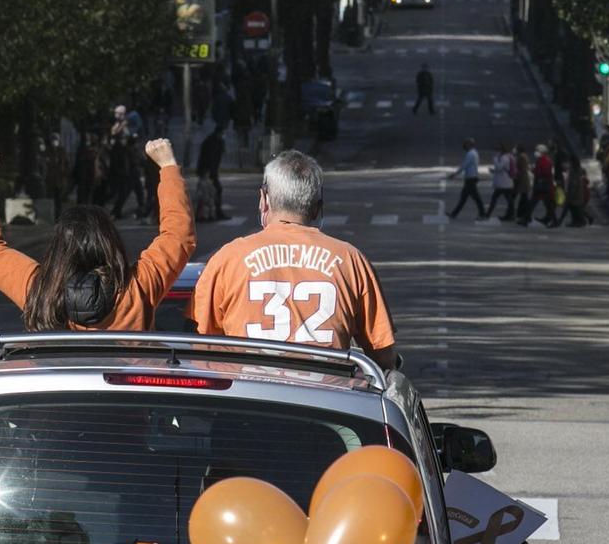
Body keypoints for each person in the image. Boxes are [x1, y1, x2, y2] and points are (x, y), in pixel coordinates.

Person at [191, 150, 398, 368]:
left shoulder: (227, 259)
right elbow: (382, 353)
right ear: (317, 208)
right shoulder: (350, 260)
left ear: (264, 199)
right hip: (327, 388)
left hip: (249, 387)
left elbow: (201, 345)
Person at [0, 140, 192, 330]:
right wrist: (168, 166)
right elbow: (178, 236)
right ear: (110, 242)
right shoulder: (139, 285)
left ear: (58, 248)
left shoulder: (38, 286)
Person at [105, 105, 146, 220]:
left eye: (118, 113)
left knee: (132, 188)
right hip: (124, 164)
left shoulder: (130, 123)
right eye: (116, 113)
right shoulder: (118, 125)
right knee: (133, 188)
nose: (116, 115)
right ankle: (138, 208)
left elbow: (132, 139)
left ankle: (118, 211)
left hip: (130, 163)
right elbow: (113, 134)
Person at [446, 139, 485, 220]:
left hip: (471, 178)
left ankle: (482, 214)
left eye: (465, 144)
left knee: (475, 198)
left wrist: (454, 174)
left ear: (470, 145)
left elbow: (464, 165)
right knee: (465, 198)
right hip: (471, 177)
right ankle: (454, 214)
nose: (464, 146)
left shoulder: (470, 154)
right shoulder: (474, 153)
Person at [196, 124, 226, 222]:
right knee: (210, 192)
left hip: (208, 171)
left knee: (208, 192)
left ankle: (207, 213)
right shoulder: (214, 142)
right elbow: (210, 158)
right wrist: (208, 172)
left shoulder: (212, 141)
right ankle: (210, 213)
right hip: (208, 171)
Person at [485, 146, 517, 219]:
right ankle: (512, 215)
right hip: (506, 183)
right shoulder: (509, 157)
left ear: (501, 151)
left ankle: (488, 215)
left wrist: (495, 159)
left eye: (497, 151)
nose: (496, 153)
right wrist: (494, 170)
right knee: (509, 200)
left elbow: (499, 167)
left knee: (494, 199)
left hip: (503, 183)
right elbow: (501, 169)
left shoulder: (504, 158)